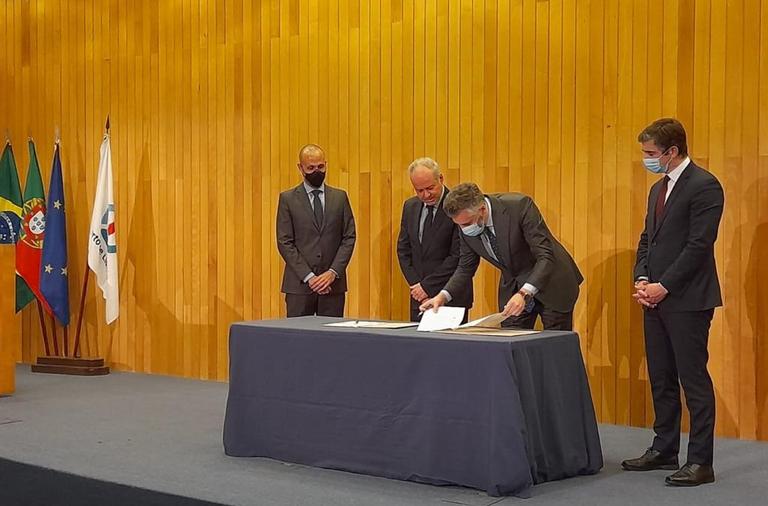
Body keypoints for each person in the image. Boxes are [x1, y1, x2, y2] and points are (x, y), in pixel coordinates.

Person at [621, 118, 724, 487]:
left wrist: (665, 285)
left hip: (689, 299)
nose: (646, 159)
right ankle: (664, 448)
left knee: (692, 379)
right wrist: (643, 277)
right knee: (661, 377)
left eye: (650, 154)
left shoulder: (705, 185)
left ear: (672, 151)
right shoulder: (657, 189)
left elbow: (699, 246)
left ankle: (701, 462)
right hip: (655, 298)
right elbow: (648, 237)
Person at [420, 182, 582, 330]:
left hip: (552, 281)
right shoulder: (465, 224)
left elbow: (545, 255)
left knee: (553, 349)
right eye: (459, 225)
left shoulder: (519, 206)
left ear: (482, 210)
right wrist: (442, 296)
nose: (464, 229)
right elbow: (465, 268)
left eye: (467, 224)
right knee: (511, 346)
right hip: (514, 285)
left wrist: (524, 293)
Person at [276, 144, 356, 317]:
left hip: (332, 286)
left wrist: (332, 272)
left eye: (320, 166)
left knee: (332, 340)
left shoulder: (340, 197)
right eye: (311, 168)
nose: (317, 171)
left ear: (326, 164)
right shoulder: (287, 199)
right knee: (297, 341)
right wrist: (309, 277)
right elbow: (285, 242)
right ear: (300, 168)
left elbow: (349, 237)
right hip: (299, 286)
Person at [397, 158, 472, 322]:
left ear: (441, 179)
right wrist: (418, 288)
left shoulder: (458, 207)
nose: (426, 195)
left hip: (451, 295)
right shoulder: (410, 206)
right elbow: (404, 250)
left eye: (430, 188)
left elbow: (458, 256)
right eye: (419, 190)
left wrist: (427, 287)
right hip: (418, 298)